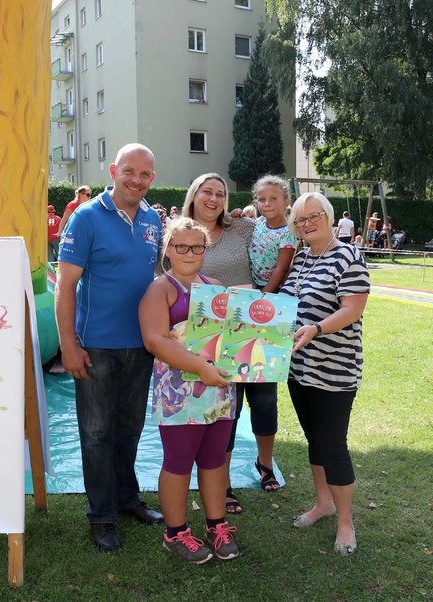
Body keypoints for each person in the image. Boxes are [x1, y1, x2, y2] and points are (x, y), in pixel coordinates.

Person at [55, 143, 164, 552]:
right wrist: (69, 345)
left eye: (145, 174)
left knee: (130, 429)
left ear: (152, 178)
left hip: (141, 345)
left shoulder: (154, 218)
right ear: (113, 170)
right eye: (129, 171)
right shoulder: (85, 218)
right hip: (96, 347)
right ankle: (101, 516)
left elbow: (155, 278)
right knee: (97, 434)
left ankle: (126, 498)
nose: (136, 180)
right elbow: (65, 286)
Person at [139, 218, 239, 564]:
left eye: (197, 246)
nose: (189, 253)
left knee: (214, 460)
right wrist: (200, 368)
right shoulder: (161, 289)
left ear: (206, 249)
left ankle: (216, 525)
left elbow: (234, 338)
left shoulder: (215, 286)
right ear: (168, 249)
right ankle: (175, 533)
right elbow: (154, 339)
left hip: (220, 391)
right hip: (180, 393)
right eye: (181, 246)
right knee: (179, 463)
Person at [279, 191, 369, 556]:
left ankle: (345, 521)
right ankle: (323, 504)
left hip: (334, 371)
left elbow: (352, 309)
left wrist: (315, 328)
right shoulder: (301, 258)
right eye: (300, 220)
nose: (307, 224)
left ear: (329, 217)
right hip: (299, 369)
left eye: (314, 216)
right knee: (314, 441)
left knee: (333, 446)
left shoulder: (349, 256)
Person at [181, 173, 254, 514]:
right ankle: (191, 481)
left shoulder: (241, 228)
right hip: (197, 334)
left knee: (229, 413)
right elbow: (161, 276)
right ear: (193, 195)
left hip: (240, 332)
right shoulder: (180, 232)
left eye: (220, 193)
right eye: (206, 192)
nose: (213, 199)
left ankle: (221, 485)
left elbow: (276, 237)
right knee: (195, 409)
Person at [236, 175, 296, 495]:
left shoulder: (290, 232)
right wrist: (235, 215)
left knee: (263, 396)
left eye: (273, 199)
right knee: (232, 394)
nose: (267, 204)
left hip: (270, 310)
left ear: (286, 200)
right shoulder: (253, 223)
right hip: (245, 305)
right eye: (261, 199)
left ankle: (265, 463)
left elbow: (280, 270)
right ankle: (222, 461)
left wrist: (262, 300)